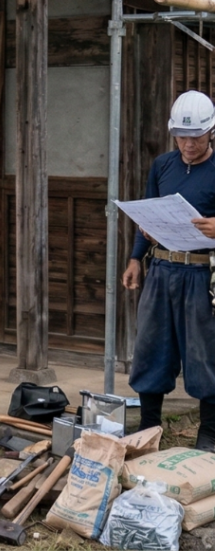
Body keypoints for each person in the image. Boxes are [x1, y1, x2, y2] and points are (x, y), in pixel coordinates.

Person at [123, 90, 215, 449]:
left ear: (211, 132)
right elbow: (147, 211)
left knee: (204, 353)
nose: (187, 144)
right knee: (151, 348)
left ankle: (208, 434)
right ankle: (149, 428)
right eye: (180, 136)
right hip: (161, 269)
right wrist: (135, 257)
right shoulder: (163, 165)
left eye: (195, 137)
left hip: (202, 275)